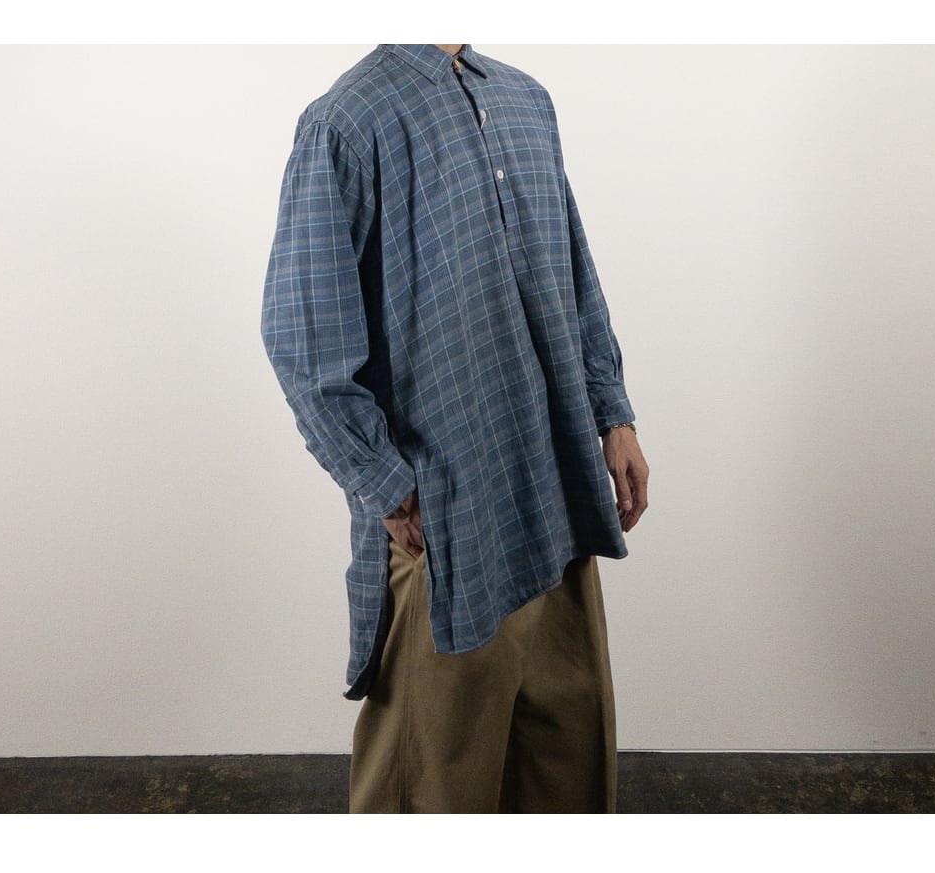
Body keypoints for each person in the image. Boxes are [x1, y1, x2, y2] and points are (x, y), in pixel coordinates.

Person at [261, 44, 649, 812]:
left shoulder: (525, 99)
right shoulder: (348, 121)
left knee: (563, 767)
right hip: (446, 515)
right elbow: (303, 336)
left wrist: (613, 414)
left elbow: (574, 274)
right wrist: (385, 484)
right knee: (431, 785)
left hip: (557, 491)